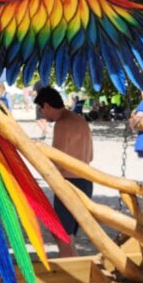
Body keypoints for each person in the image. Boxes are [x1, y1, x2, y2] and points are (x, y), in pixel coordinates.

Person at [34, 87, 93, 258]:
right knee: (68, 236)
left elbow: (57, 161)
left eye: (41, 109)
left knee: (63, 237)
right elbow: (91, 155)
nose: (42, 114)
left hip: (68, 184)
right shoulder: (80, 120)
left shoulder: (62, 124)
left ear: (47, 105)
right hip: (86, 182)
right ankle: (75, 271)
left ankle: (73, 277)